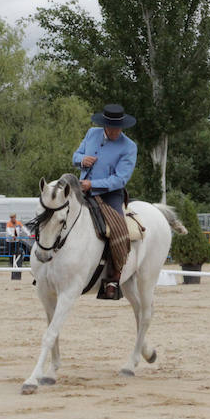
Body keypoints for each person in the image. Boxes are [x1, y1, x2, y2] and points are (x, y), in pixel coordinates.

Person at [72, 103, 137, 299]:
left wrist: (92, 184)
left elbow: (120, 179)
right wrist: (82, 160)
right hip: (82, 189)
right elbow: (75, 156)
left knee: (118, 230)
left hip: (110, 195)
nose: (115, 131)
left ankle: (113, 278)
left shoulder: (129, 147)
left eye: (119, 128)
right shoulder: (92, 133)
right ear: (105, 125)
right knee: (58, 213)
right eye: (112, 127)